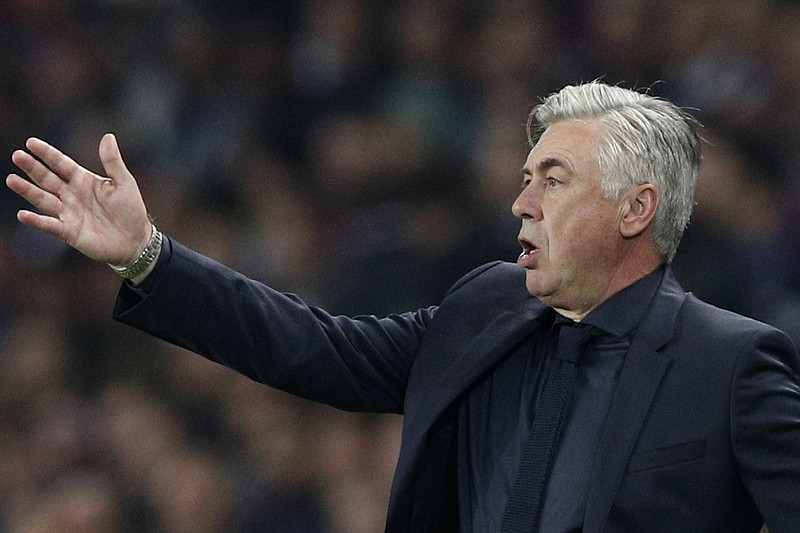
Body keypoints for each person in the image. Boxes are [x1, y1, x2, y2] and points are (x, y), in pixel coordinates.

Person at [6, 81, 800, 532]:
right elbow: (313, 347)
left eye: (552, 180)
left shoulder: (732, 364)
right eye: (525, 177)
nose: (520, 202)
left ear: (637, 209)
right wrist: (150, 255)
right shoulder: (485, 308)